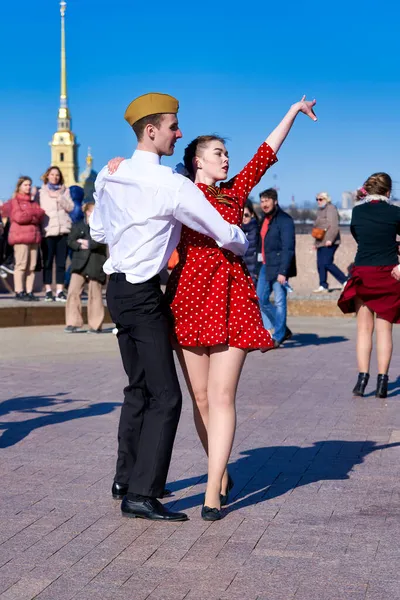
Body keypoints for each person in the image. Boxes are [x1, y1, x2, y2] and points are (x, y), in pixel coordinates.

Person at [90, 92, 249, 523]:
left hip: (117, 292)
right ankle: (142, 494)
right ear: (152, 130)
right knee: (167, 396)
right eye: (174, 126)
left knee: (138, 387)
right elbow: (222, 231)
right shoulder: (172, 185)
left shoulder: (110, 176)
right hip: (143, 294)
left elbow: (98, 227)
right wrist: (243, 240)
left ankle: (126, 477)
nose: (180, 133)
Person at [338, 173, 400, 399]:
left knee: (364, 330)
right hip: (388, 274)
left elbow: (359, 237)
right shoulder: (396, 213)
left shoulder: (357, 212)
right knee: (385, 331)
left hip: (364, 272)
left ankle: (362, 380)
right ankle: (383, 383)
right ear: (388, 192)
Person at [256, 188, 296, 348]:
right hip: (266, 265)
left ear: (275, 201)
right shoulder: (264, 220)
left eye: (267, 200)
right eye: (262, 201)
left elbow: (288, 247)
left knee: (280, 302)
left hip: (279, 267)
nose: (264, 204)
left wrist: (283, 272)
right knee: (261, 299)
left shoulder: (285, 220)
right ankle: (283, 328)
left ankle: (278, 336)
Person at [65, 199, 107, 333]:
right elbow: (70, 241)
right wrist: (80, 244)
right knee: (73, 292)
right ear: (87, 212)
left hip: (95, 262)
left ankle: (95, 325)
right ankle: (73, 323)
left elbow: (99, 242)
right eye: (93, 210)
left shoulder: (103, 226)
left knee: (95, 294)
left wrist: (85, 243)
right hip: (79, 263)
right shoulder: (78, 225)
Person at [39, 166, 74, 302]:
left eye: (57, 175)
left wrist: (60, 197)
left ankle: (59, 291)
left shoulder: (65, 191)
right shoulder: (41, 192)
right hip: (47, 231)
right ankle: (48, 290)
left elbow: (70, 207)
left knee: (61, 262)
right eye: (52, 175)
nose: (55, 177)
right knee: (47, 262)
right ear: (47, 176)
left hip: (63, 231)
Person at [8, 176, 45, 301]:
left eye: (29, 185)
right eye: (25, 185)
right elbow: (19, 217)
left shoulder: (33, 202)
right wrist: (33, 214)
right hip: (21, 238)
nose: (28, 187)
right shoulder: (15, 201)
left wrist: (29, 214)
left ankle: (29, 291)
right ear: (19, 186)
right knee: (21, 265)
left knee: (32, 267)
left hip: (34, 238)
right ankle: (19, 291)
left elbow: (40, 214)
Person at [312, 192, 347, 293]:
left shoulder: (331, 208)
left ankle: (345, 281)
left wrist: (330, 239)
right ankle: (323, 285)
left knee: (327, 262)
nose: (318, 201)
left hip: (330, 242)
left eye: (321, 199)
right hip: (320, 242)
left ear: (326, 199)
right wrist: (315, 243)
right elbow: (318, 228)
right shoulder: (319, 211)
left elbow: (334, 225)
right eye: (317, 199)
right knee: (320, 264)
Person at [241, 200, 260, 285]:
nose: (243, 218)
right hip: (240, 272)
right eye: (241, 215)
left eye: (246, 215)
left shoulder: (257, 229)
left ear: (252, 214)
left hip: (253, 272)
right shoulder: (236, 230)